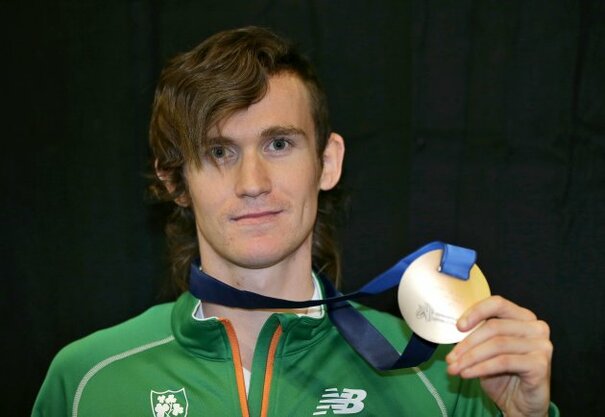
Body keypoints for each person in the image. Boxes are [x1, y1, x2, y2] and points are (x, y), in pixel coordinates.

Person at [33, 26, 556, 417]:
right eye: (219, 152)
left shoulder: (445, 378)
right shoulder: (85, 381)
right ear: (175, 181)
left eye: (279, 144)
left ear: (327, 162)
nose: (252, 182)